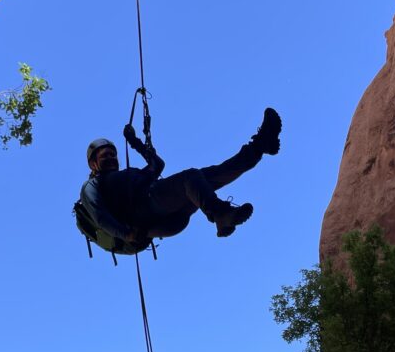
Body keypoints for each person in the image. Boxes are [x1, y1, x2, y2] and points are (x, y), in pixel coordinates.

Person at [77, 108, 281, 252]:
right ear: (93, 164)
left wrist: (135, 142)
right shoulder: (92, 186)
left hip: (168, 215)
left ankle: (261, 145)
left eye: (113, 155)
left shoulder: (128, 177)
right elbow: (100, 216)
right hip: (146, 211)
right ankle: (221, 214)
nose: (112, 158)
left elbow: (157, 164)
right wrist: (126, 234)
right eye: (105, 156)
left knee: (210, 176)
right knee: (190, 177)